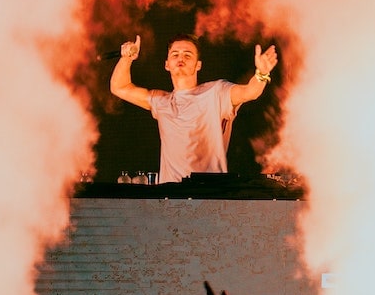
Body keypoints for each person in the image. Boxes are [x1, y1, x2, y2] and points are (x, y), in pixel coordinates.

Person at [109, 33, 278, 184]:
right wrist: (126, 59)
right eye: (175, 54)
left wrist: (261, 74)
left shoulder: (216, 92)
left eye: (187, 55)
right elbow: (120, 87)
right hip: (170, 197)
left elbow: (250, 92)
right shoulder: (161, 101)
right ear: (167, 64)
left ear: (198, 65)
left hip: (209, 195)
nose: (180, 58)